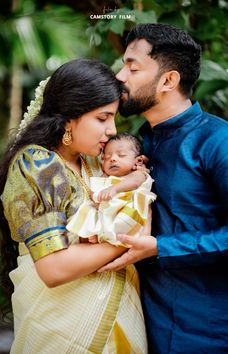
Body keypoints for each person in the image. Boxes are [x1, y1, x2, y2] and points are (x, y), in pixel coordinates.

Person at [0, 59, 148, 353]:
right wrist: (129, 243)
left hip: (119, 324)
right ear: (68, 118)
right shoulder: (38, 164)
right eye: (102, 118)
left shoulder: (95, 164)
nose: (111, 130)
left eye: (113, 119)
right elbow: (54, 269)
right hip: (60, 328)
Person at [98, 23, 228, 353]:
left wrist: (161, 247)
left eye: (132, 66)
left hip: (205, 331)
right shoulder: (135, 144)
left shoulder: (218, 141)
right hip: (140, 324)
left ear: (169, 80)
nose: (121, 77)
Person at [67, 132, 156, 245]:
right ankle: (100, 234)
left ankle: (107, 236)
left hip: (129, 210)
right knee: (88, 210)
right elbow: (96, 188)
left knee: (121, 219)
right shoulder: (107, 176)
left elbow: (134, 182)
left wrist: (114, 189)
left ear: (138, 161)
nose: (112, 159)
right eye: (107, 157)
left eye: (121, 155)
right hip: (109, 209)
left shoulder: (138, 174)